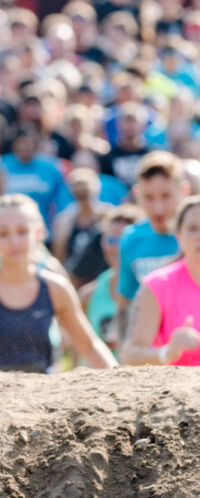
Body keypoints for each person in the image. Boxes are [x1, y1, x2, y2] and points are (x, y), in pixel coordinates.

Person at [0, 194, 117, 372]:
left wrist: (119, 379)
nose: (14, 241)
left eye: (22, 231)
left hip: (42, 396)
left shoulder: (55, 288)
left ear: (38, 233)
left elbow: (89, 346)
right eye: (3, 233)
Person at [123, 196, 200, 367]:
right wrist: (168, 352)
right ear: (179, 237)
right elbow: (131, 356)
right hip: (180, 391)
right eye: (193, 228)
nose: (199, 236)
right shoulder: (158, 284)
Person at [117, 151, 189, 309]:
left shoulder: (195, 236)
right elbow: (125, 303)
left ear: (183, 191)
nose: (158, 208)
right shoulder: (131, 239)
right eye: (148, 197)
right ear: (137, 195)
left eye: (166, 196)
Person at [79, 204, 145, 357]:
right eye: (110, 240)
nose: (116, 248)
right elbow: (80, 352)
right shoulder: (88, 296)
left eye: (123, 240)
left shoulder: (153, 292)